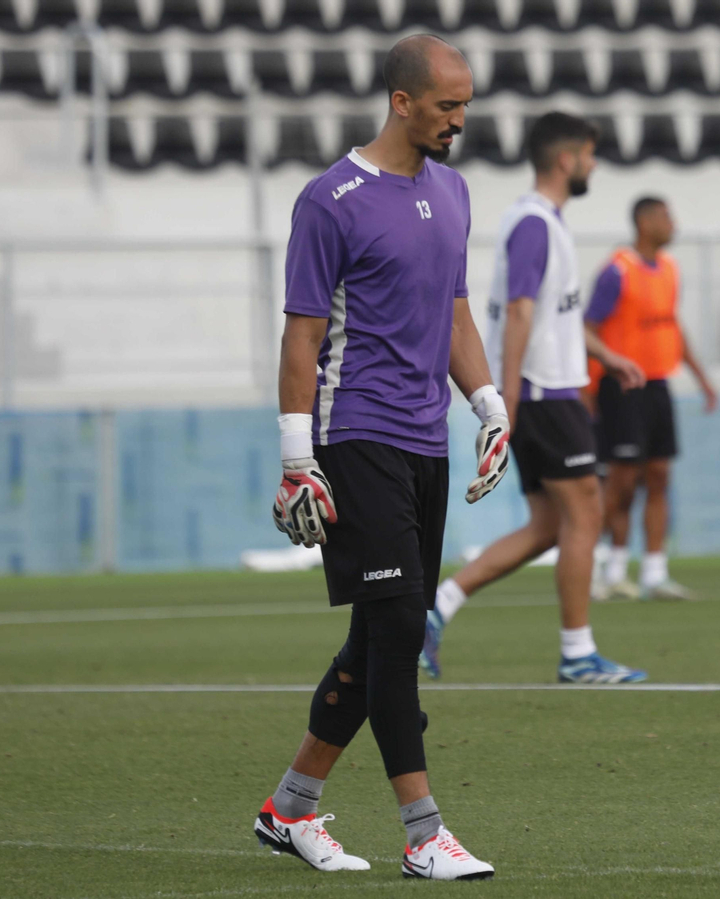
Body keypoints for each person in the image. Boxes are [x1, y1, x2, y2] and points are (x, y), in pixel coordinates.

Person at [256, 34, 503, 882]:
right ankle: (424, 833)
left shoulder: (455, 191)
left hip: (427, 439)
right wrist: (297, 456)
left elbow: (455, 311)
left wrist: (488, 403)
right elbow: (301, 336)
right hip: (354, 434)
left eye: (465, 105)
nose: (459, 120)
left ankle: (289, 808)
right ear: (402, 102)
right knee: (400, 629)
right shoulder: (331, 200)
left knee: (375, 638)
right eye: (446, 105)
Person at [420, 113, 649, 684]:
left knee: (549, 524)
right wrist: (512, 400)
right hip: (544, 394)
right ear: (566, 159)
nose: (593, 165)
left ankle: (436, 608)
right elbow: (520, 314)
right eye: (589, 155)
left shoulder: (541, 222)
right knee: (586, 512)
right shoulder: (534, 224)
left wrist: (605, 354)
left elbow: (549, 315)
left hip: (544, 389)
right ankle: (577, 655)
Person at [585, 197, 718, 601]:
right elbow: (588, 328)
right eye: (665, 216)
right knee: (622, 480)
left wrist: (701, 378)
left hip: (658, 384)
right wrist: (587, 389)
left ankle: (655, 573)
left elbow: (672, 326)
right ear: (644, 222)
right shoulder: (617, 270)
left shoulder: (670, 269)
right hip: (622, 386)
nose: (673, 224)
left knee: (659, 475)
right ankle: (607, 569)